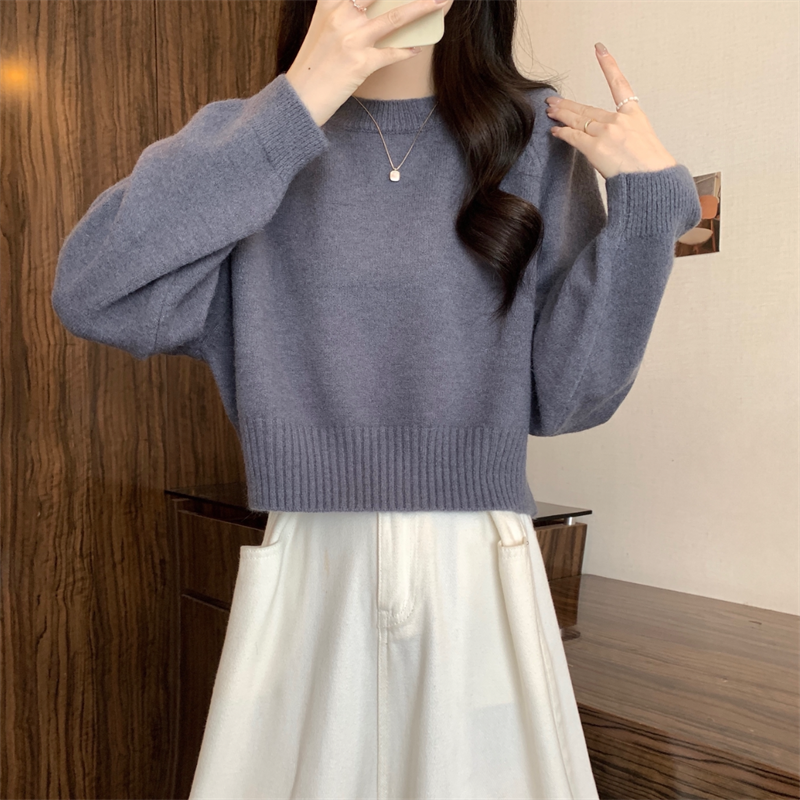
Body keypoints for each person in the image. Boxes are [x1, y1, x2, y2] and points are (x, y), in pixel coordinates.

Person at [51, 0, 702, 797]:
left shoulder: (535, 136)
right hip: (311, 558)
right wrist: (294, 106)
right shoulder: (251, 137)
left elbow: (567, 399)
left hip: (477, 564)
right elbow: (93, 293)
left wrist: (648, 210)